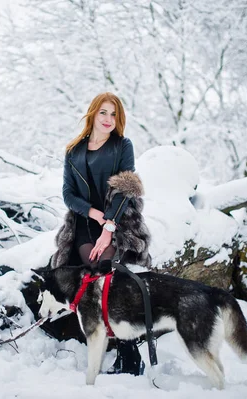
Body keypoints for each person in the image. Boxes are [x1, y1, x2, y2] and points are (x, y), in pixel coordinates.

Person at [51, 92, 152, 376]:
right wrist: (92, 213)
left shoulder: (122, 146)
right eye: (103, 113)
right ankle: (117, 348)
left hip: (118, 221)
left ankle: (130, 356)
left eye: (114, 115)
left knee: (109, 273)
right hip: (84, 223)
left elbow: (126, 189)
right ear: (93, 114)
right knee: (95, 271)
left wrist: (108, 226)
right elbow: (68, 194)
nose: (109, 119)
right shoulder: (74, 150)